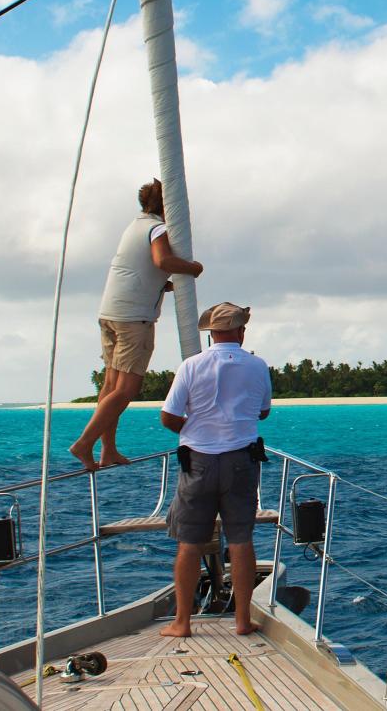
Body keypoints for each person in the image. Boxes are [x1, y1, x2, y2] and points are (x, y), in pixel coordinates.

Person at [70, 179, 204, 472]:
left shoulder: (134, 227)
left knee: (110, 385)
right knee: (126, 389)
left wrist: (163, 286)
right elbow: (162, 260)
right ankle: (84, 443)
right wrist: (193, 268)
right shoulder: (157, 228)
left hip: (111, 312)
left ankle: (108, 449)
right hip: (134, 319)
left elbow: (137, 269)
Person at [157, 302, 271, 637]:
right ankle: (242, 620)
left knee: (190, 542)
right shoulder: (258, 365)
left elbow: (168, 416)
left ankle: (182, 623)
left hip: (199, 462)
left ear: (211, 333)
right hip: (241, 461)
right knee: (241, 539)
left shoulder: (192, 365)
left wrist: (195, 430)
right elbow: (263, 411)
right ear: (241, 332)